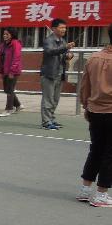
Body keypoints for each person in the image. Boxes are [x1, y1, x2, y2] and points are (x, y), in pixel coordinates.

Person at [76, 24, 112, 207]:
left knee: (96, 150)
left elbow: (85, 86)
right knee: (109, 153)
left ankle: (85, 189)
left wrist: (86, 105)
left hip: (95, 110)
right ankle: (101, 193)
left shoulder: (93, 58)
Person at [40, 18, 76, 130]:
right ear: (54, 28)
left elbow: (64, 55)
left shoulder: (63, 41)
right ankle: (46, 122)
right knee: (48, 99)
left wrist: (69, 55)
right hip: (49, 74)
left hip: (60, 74)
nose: (64, 29)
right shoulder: (48, 40)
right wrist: (65, 47)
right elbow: (50, 51)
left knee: (55, 99)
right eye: (61, 27)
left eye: (65, 28)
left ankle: (51, 119)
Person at [0, 28, 23, 117]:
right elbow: (1, 58)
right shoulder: (3, 45)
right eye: (4, 34)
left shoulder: (16, 44)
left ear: (12, 35)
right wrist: (1, 70)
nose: (5, 36)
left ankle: (9, 109)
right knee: (7, 89)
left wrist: (12, 71)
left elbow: (16, 58)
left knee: (10, 90)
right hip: (5, 70)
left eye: (7, 34)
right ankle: (18, 105)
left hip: (12, 71)